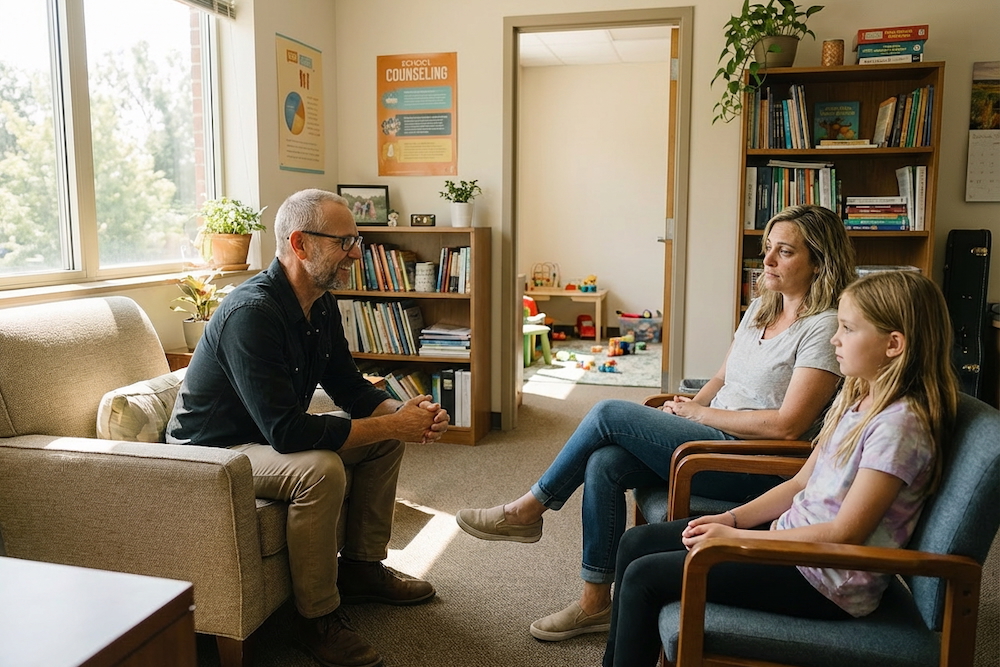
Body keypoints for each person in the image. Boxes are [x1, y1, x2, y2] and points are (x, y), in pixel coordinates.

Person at [456, 205, 856, 641]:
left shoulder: (824, 327)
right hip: (707, 439)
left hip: (747, 461)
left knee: (608, 412)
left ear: (819, 261)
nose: (768, 261)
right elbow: (723, 378)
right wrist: (683, 406)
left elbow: (787, 426)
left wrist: (696, 414)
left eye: (784, 251)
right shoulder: (762, 307)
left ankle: (528, 510)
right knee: (605, 462)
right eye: (767, 249)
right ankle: (594, 605)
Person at [603, 270, 960, 666]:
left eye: (847, 329)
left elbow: (846, 532)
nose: (833, 339)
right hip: (794, 543)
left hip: (828, 579)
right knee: (635, 543)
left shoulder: (899, 426)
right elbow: (800, 483)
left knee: (644, 577)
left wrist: (740, 543)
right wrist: (733, 520)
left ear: (894, 344)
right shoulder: (858, 399)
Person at [167, 188, 450, 667]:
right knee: (319, 469)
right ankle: (316, 618)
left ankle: (360, 568)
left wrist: (406, 413)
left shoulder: (320, 303)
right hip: (212, 453)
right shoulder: (252, 314)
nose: (356, 253)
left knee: (382, 444)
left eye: (355, 240)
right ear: (300, 244)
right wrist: (392, 425)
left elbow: (349, 388)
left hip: (263, 436)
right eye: (345, 242)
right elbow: (289, 435)